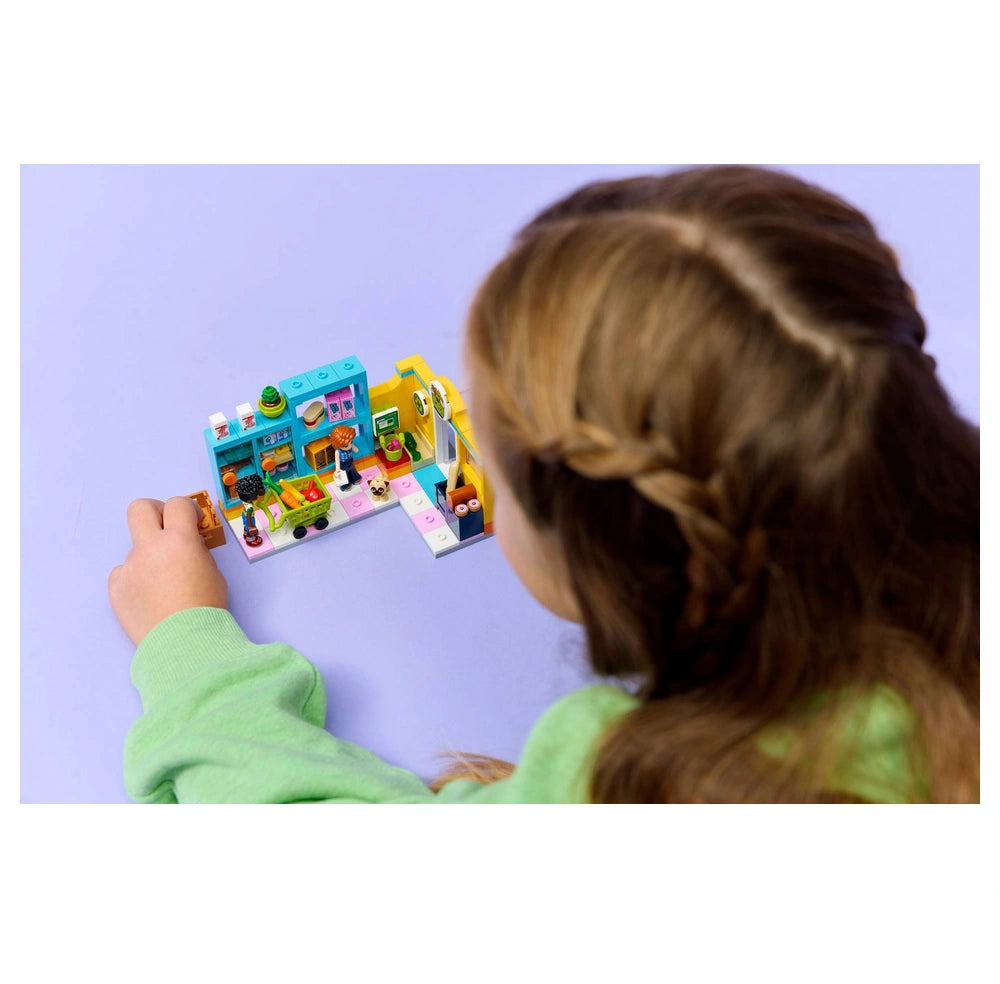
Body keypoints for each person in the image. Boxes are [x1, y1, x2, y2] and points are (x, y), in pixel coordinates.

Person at [108, 166, 979, 803]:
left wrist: (191, 654)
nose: (466, 446)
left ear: (600, 555)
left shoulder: (631, 789)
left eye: (489, 447)